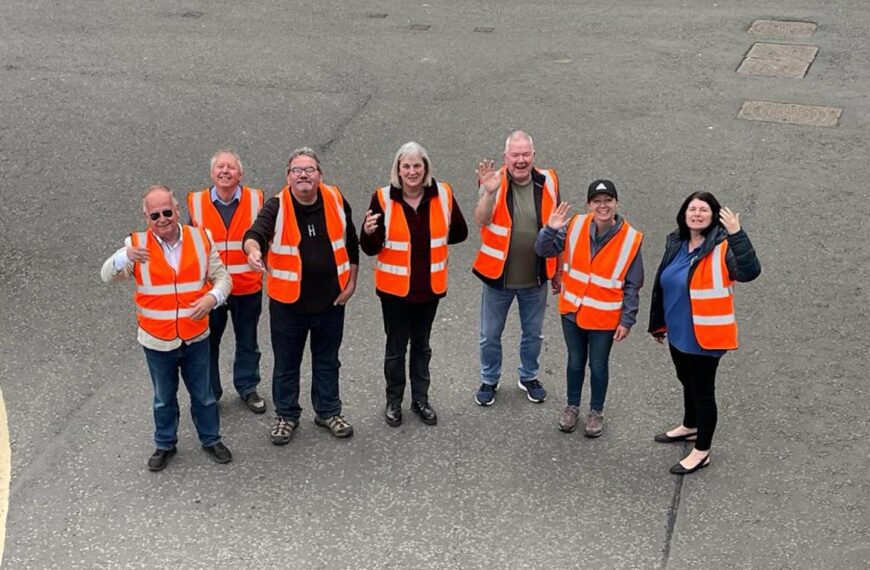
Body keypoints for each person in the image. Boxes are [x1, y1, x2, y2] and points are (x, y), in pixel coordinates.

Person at [101, 185, 233, 471]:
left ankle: (211, 439)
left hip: (196, 335)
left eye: (167, 212)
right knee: (163, 398)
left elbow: (223, 278)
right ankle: (165, 444)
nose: (162, 219)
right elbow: (106, 276)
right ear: (146, 217)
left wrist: (213, 298)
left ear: (177, 210)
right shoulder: (135, 246)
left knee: (205, 395)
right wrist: (124, 257)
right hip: (157, 340)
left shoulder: (201, 239)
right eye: (155, 215)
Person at [243, 148, 359, 444]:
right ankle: (286, 415)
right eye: (297, 170)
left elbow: (351, 242)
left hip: (332, 302)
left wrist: (352, 283)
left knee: (327, 361)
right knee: (286, 363)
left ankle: (328, 411)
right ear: (288, 177)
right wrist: (254, 251)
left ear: (320, 176)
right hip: (288, 306)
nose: (303, 174)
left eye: (309, 169)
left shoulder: (334, 198)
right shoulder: (277, 206)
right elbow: (255, 233)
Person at [648, 191, 760, 474]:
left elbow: (749, 271)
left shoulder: (723, 247)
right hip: (677, 330)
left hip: (705, 334)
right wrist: (659, 323)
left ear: (714, 217)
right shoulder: (676, 242)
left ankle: (702, 451)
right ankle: (690, 425)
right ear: (684, 214)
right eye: (692, 209)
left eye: (704, 210)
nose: (697, 214)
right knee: (685, 378)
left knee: (703, 391)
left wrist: (737, 234)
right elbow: (664, 285)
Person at [360, 142, 468, 427]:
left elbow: (459, 232)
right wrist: (368, 233)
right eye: (405, 166)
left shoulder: (443, 194)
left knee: (422, 346)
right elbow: (370, 247)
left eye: (417, 166)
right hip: (394, 292)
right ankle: (393, 401)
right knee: (396, 348)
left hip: (429, 288)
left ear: (426, 168)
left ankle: (420, 399)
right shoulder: (382, 198)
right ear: (397, 169)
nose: (412, 172)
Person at [535, 180, 644, 437]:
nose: (602, 206)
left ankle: (596, 412)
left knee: (598, 364)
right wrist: (550, 229)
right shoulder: (575, 224)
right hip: (572, 309)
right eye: (597, 201)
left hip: (604, 316)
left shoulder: (630, 239)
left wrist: (627, 319)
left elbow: (633, 284)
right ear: (589, 204)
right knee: (574, 362)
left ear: (616, 203)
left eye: (608, 200)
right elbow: (542, 249)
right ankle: (572, 407)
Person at [472, 130, 560, 406]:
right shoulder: (493, 182)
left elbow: (557, 227)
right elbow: (481, 219)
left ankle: (529, 376)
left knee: (533, 333)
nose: (520, 160)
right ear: (505, 157)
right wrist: (488, 193)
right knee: (490, 335)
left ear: (533, 155)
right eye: (515, 155)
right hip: (499, 278)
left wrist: (558, 270)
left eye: (525, 154)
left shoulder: (549, 181)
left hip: (535, 277)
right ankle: (489, 379)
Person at [187, 150, 266, 413]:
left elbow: (267, 235)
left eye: (230, 167)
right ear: (212, 174)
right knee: (209, 343)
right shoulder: (196, 203)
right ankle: (211, 391)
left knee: (247, 340)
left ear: (240, 174)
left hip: (247, 286)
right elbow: (189, 245)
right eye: (220, 167)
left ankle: (248, 387)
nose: (225, 171)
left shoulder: (257, 200)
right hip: (212, 290)